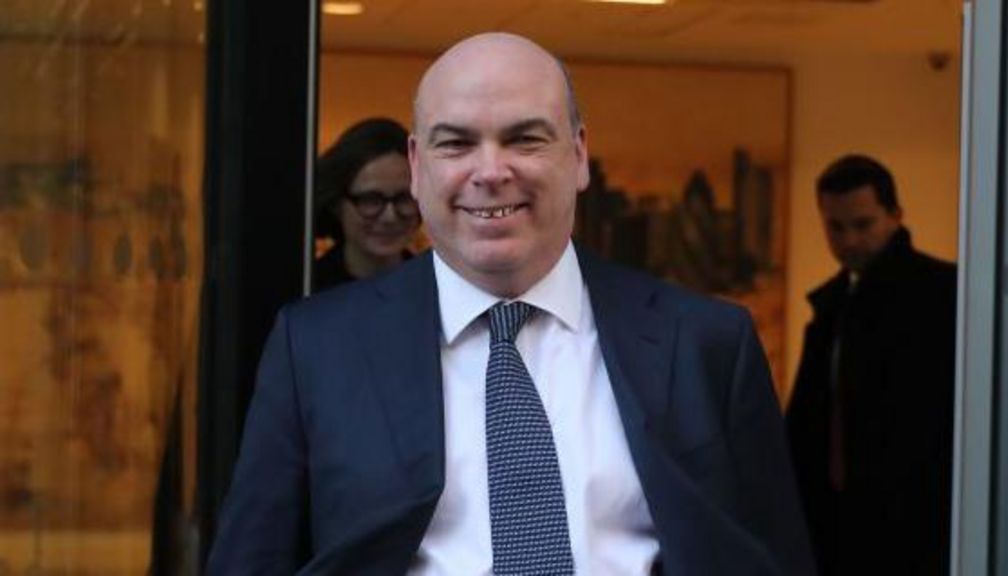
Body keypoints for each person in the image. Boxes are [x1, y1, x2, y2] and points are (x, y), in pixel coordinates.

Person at [208, 32, 814, 575]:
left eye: (524, 138)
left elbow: (772, 558)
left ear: (578, 155)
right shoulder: (317, 347)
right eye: (457, 144)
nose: (490, 171)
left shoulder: (707, 343)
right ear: (418, 166)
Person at [786, 154, 957, 575]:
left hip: (912, 525)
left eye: (863, 225)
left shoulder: (941, 294)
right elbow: (809, 425)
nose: (849, 241)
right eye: (836, 227)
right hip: (843, 527)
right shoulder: (835, 306)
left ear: (895, 216)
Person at [313, 117, 420, 291]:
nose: (390, 217)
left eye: (403, 198)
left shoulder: (438, 289)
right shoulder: (306, 290)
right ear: (336, 205)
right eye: (371, 200)